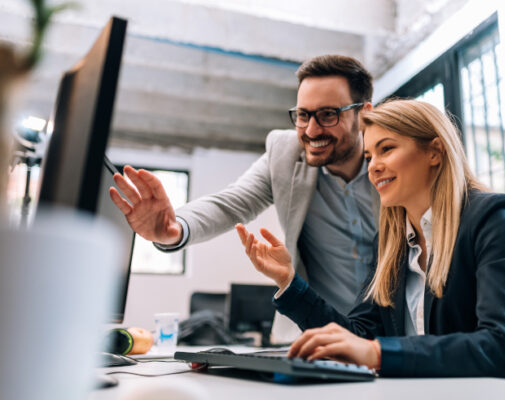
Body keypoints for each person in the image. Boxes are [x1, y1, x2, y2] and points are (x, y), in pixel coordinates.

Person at [235, 99, 505, 379]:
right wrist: (289, 282)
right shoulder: (390, 244)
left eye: (387, 149)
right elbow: (356, 336)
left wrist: (378, 354)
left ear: (434, 152)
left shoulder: (493, 218)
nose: (373, 167)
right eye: (369, 155)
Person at [108, 55, 379, 339]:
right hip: (316, 334)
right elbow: (231, 203)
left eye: (328, 115)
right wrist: (175, 228)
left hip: (393, 333)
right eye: (302, 115)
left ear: (364, 114)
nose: (311, 130)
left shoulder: (394, 160)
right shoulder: (285, 154)